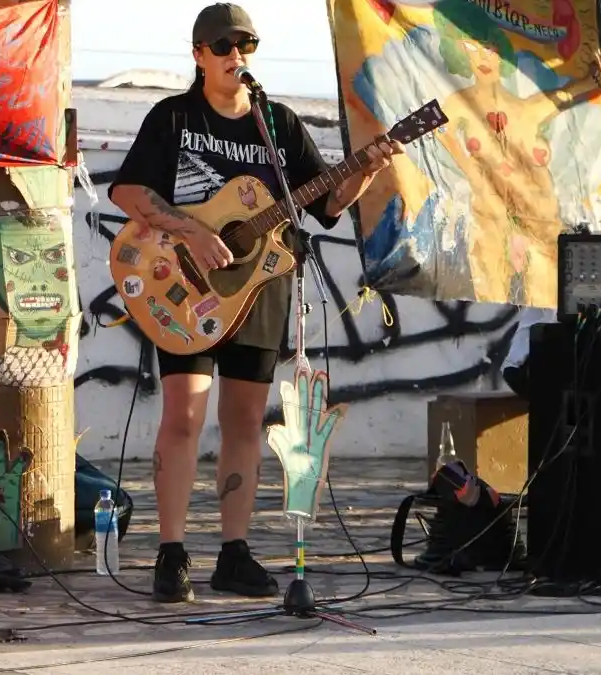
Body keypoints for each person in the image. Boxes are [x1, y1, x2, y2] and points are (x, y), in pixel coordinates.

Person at [108, 2, 402, 603]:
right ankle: (170, 553)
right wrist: (191, 230)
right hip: (184, 288)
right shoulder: (174, 118)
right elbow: (128, 188)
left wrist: (367, 170)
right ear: (198, 55)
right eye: (222, 47)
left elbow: (326, 202)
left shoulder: (278, 124)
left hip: (258, 288)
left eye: (245, 45)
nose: (235, 56)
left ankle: (234, 552)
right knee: (184, 416)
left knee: (244, 420)